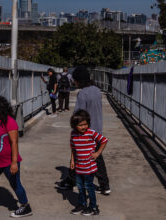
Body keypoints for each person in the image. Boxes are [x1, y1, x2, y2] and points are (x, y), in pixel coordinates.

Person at [56, 65, 111, 195]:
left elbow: (78, 115)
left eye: (74, 80)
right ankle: (104, 185)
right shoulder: (97, 90)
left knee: (76, 156)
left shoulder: (83, 94)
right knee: (97, 159)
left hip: (85, 133)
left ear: (79, 80)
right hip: (97, 130)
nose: (73, 82)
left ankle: (71, 181)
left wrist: (74, 127)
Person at [70, 110, 108, 216]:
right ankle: (82, 204)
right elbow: (73, 148)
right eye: (80, 125)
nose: (83, 127)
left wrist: (97, 153)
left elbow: (104, 140)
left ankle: (93, 207)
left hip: (89, 168)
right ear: (74, 125)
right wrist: (72, 161)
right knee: (80, 187)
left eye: (85, 124)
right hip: (79, 167)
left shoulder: (91, 133)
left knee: (89, 187)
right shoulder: (73, 134)